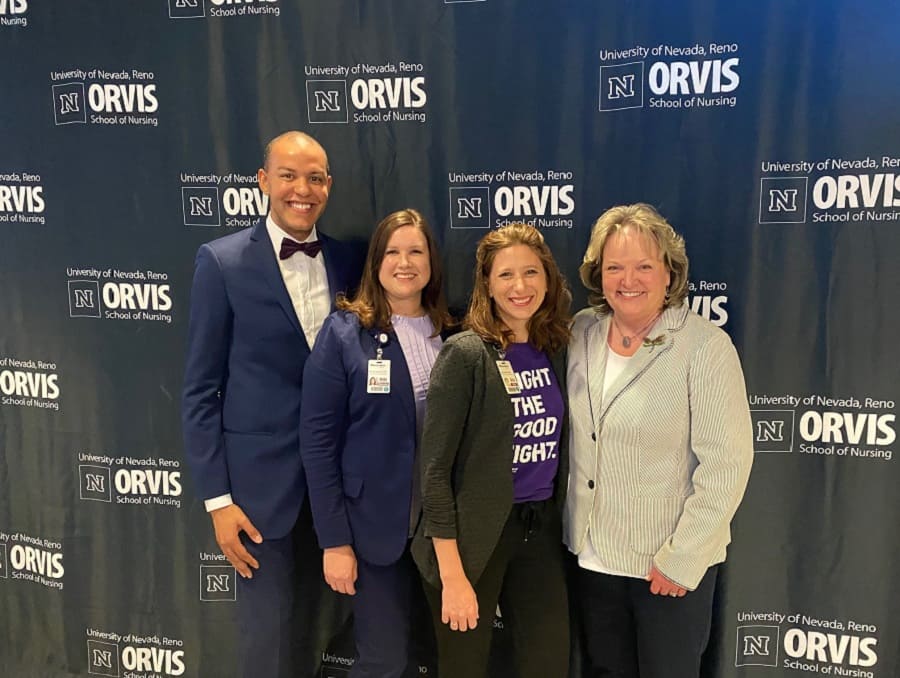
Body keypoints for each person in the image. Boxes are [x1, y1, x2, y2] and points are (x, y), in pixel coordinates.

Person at [181, 131, 362, 678]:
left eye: (314, 177)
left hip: (339, 488)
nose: (301, 189)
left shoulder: (350, 260)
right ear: (263, 181)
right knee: (268, 646)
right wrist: (218, 502)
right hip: (261, 497)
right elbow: (198, 390)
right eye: (288, 175)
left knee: (321, 630)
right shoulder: (221, 262)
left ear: (328, 186)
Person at [565, 203, 753, 678]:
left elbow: (726, 466)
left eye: (644, 266)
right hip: (593, 558)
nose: (629, 279)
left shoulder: (705, 347)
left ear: (669, 273)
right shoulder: (582, 331)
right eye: (615, 267)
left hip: (664, 569)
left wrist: (681, 559)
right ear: (598, 274)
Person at [412, 222, 572, 678]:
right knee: (464, 668)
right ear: (486, 283)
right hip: (469, 540)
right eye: (505, 275)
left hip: (537, 528)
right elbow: (435, 473)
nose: (520, 287)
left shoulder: (554, 349)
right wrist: (453, 576)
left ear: (547, 278)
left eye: (530, 273)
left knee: (548, 663)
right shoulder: (465, 354)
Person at [300, 208, 453, 677]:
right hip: (371, 534)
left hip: (440, 535)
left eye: (416, 251)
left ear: (431, 261)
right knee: (383, 660)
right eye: (392, 252)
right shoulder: (344, 333)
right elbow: (318, 443)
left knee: (442, 656)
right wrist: (335, 542)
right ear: (376, 261)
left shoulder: (453, 331)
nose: (404, 262)